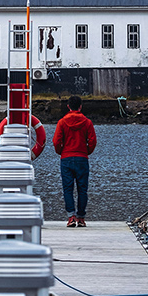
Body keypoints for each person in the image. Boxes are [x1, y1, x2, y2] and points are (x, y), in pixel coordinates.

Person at [53, 95, 97, 228]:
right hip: (82, 158)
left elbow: (56, 141)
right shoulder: (87, 122)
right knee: (82, 189)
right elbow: (93, 141)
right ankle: (81, 218)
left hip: (66, 158)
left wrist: (61, 151)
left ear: (68, 107)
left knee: (68, 188)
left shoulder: (62, 122)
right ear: (80, 107)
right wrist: (86, 151)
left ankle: (71, 216)